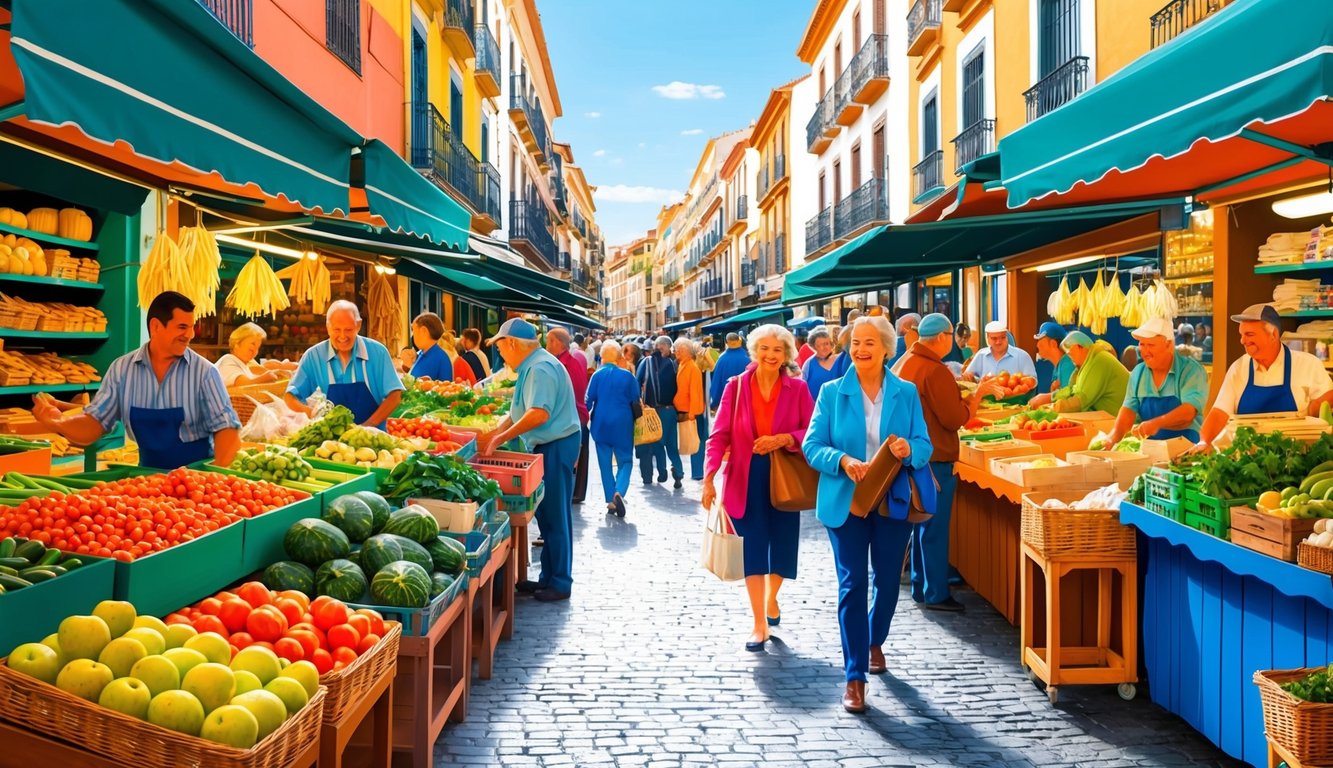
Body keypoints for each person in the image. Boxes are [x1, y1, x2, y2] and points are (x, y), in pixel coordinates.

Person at [802, 316, 932, 713]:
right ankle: (854, 676)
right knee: (853, 584)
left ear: (886, 348)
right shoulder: (830, 392)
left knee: (888, 581)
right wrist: (841, 460)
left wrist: (910, 449)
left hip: (891, 500)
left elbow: (925, 445)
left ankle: (874, 638)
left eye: (869, 342)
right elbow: (812, 445)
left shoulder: (906, 392)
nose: (860, 349)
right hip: (846, 501)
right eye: (855, 342)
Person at [32, 291, 241, 469]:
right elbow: (93, 424)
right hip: (146, 481)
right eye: (182, 327)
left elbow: (227, 430)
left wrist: (214, 477)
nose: (190, 335)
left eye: (191, 327)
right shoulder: (122, 370)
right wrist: (59, 422)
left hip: (195, 480)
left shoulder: (204, 372)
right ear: (156, 326)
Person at [702, 324, 815, 652]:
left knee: (781, 549)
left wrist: (783, 439)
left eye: (777, 350)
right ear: (754, 351)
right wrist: (709, 478)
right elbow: (718, 434)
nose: (769, 355)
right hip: (745, 478)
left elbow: (812, 431)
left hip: (784, 476)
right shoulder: (735, 387)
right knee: (752, 551)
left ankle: (772, 597)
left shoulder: (798, 389)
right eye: (764, 348)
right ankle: (758, 624)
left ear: (786, 355)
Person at [895, 314, 1002, 612]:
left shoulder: (904, 362)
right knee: (934, 527)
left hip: (913, 455)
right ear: (942, 337)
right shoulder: (934, 369)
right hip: (935, 456)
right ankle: (936, 592)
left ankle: (921, 585)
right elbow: (954, 418)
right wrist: (975, 398)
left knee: (920, 524)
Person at [479, 318, 580, 601]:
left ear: (512, 343)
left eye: (501, 348)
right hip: (549, 443)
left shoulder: (540, 368)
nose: (500, 354)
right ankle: (548, 577)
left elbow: (538, 413)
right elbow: (519, 410)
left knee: (556, 515)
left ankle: (560, 582)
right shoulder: (531, 366)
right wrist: (495, 434)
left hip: (557, 444)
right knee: (548, 514)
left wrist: (500, 438)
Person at [1198, 304, 1333, 448]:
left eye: (1249, 334)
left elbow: (1326, 403)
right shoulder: (1238, 368)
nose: (1242, 340)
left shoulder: (1308, 364)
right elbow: (1219, 413)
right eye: (1241, 334)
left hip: (1296, 456)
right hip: (1246, 458)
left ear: (1273, 335)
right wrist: (1203, 442)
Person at [285, 300, 404, 429]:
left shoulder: (378, 352)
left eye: (348, 329)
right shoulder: (314, 356)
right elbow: (290, 396)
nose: (342, 336)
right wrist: (313, 413)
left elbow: (395, 395)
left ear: (358, 325)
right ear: (328, 327)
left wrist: (368, 426)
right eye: (337, 329)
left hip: (374, 438)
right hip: (335, 441)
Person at [1106, 317, 1210, 445]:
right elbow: (1127, 412)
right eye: (1142, 344)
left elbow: (1188, 412)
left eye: (1150, 345)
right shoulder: (1138, 372)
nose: (1144, 351)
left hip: (1187, 447)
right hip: (1151, 447)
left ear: (1168, 345)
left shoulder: (1191, 371)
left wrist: (1156, 423)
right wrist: (1112, 438)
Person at [586, 341, 639, 518]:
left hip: (601, 424)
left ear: (601, 357)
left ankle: (610, 500)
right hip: (622, 424)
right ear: (618, 357)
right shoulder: (627, 376)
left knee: (605, 465)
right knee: (625, 461)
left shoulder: (596, 376)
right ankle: (619, 492)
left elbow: (588, 401)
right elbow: (636, 400)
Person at [1032, 331, 1130, 414]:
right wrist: (1052, 397)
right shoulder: (1087, 363)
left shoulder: (1098, 361)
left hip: (1121, 424)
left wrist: (1050, 408)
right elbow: (1073, 390)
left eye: (1070, 353)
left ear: (1080, 347)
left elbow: (1080, 401)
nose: (1070, 357)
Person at [548, 328, 591, 505]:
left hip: (571, 421)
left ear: (557, 343)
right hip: (577, 418)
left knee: (567, 468)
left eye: (549, 341)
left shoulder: (565, 366)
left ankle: (567, 498)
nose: (546, 345)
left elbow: (568, 398)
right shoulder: (571, 362)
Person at [637, 336, 682, 487]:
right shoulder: (674, 364)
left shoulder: (646, 362)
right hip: (671, 409)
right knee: (672, 444)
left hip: (653, 411)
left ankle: (662, 472)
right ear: (668, 348)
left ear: (657, 347)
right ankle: (679, 472)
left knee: (657, 443)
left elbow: (637, 382)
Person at [673, 338, 706, 480]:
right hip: (683, 410)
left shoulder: (692, 367)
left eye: (680, 349)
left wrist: (692, 412)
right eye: (676, 349)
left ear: (687, 351)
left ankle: (698, 472)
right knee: (691, 442)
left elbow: (695, 391)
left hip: (692, 411)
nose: (677, 352)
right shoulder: (682, 365)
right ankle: (696, 472)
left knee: (696, 442)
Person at [963, 320, 1037, 381]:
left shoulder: (1022, 356)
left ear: (1007, 337)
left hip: (1015, 398)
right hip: (985, 397)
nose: (998, 342)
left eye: (1002, 337)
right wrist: (974, 378)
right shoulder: (981, 355)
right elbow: (968, 377)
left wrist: (1015, 382)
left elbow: (1033, 382)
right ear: (987, 339)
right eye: (994, 338)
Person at [215, 322, 279, 387]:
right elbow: (243, 383)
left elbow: (251, 378)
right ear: (237, 344)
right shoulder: (228, 360)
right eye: (252, 344)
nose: (255, 351)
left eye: (258, 348)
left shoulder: (243, 364)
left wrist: (275, 373)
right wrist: (266, 377)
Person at [709, 332, 751, 410]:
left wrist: (714, 403)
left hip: (727, 405)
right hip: (746, 404)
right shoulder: (749, 358)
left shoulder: (721, 360)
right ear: (740, 341)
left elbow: (716, 384)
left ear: (727, 343)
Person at [409, 312, 454, 382]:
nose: (412, 336)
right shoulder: (421, 354)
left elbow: (446, 388)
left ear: (424, 331)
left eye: (414, 331)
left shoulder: (441, 358)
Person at [1033, 322, 1076, 392]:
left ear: (1053, 343)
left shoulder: (1067, 365)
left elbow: (1066, 398)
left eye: (1041, 340)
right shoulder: (1059, 365)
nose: (1037, 345)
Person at [800, 327, 841, 400]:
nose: (823, 347)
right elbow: (802, 388)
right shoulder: (809, 364)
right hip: (816, 408)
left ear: (831, 344)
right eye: (819, 345)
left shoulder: (841, 360)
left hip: (839, 406)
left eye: (826, 344)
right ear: (814, 347)